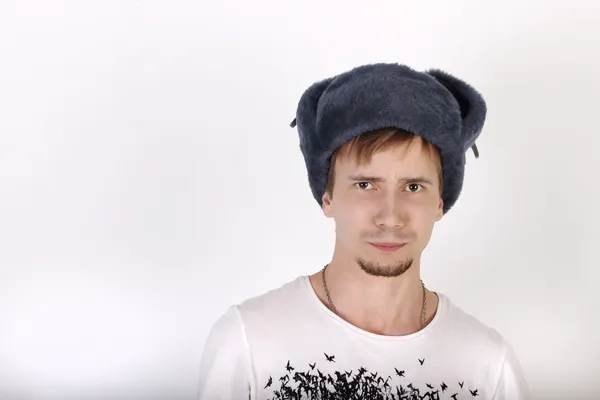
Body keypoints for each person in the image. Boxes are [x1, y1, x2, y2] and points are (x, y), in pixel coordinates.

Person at [197, 63, 530, 400]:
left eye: (413, 186)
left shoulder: (488, 367)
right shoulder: (249, 343)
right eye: (365, 184)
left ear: (440, 203)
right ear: (327, 198)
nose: (390, 216)